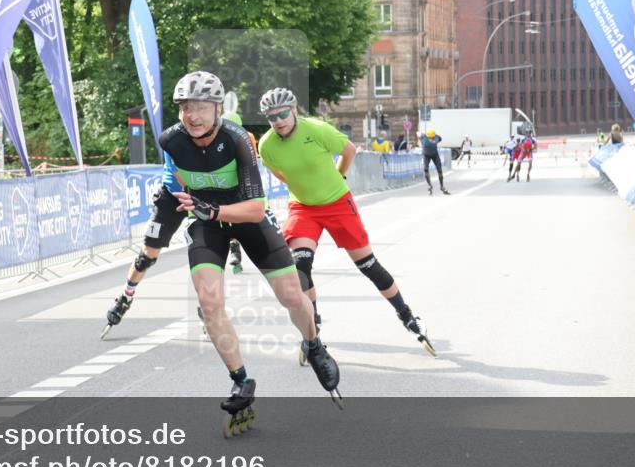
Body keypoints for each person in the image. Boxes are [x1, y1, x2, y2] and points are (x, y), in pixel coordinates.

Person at [159, 71, 343, 430]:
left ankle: (315, 344)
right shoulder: (170, 140)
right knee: (209, 302)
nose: (191, 115)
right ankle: (241, 379)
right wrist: (184, 205)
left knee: (292, 295)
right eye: (184, 108)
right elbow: (175, 179)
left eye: (200, 107)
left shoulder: (238, 139)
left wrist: (212, 208)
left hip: (247, 215)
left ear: (217, 108)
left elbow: (256, 209)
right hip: (206, 221)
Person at [257, 88, 436, 358]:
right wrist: (299, 188)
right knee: (300, 266)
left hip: (337, 203)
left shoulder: (317, 129)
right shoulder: (267, 145)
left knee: (369, 266)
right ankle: (312, 331)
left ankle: (408, 316)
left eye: (283, 114)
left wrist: (339, 175)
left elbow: (349, 150)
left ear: (293, 111)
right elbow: (278, 173)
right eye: (272, 118)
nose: (279, 121)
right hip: (304, 208)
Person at [101, 150, 191, 338]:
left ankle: (208, 305)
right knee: (146, 257)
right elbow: (183, 179)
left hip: (201, 199)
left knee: (204, 254)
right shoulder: (174, 139)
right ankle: (126, 296)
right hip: (171, 198)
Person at [221, 111, 257, 275]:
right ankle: (235, 249)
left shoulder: (247, 137)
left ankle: (236, 247)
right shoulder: (246, 135)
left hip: (238, 184)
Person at [420, 128, 449, 195]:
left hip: (434, 155)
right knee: (425, 169)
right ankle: (429, 185)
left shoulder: (434, 138)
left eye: (432, 137)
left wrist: (420, 136)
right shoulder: (425, 137)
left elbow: (439, 138)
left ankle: (441, 186)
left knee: (439, 170)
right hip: (426, 155)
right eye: (429, 137)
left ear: (434, 136)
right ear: (427, 136)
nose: (430, 139)